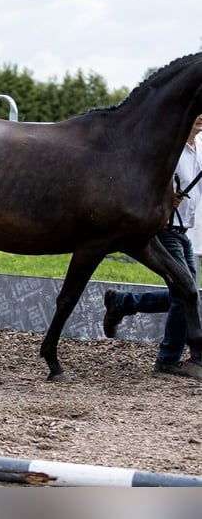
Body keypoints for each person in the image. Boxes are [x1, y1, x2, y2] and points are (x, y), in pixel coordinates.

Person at [103, 113, 202, 378]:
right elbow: (149, 182)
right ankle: (169, 359)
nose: (200, 117)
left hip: (183, 232)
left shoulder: (197, 152)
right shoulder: (171, 149)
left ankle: (123, 302)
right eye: (196, 113)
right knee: (187, 293)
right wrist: (167, 197)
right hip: (165, 230)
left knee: (188, 295)